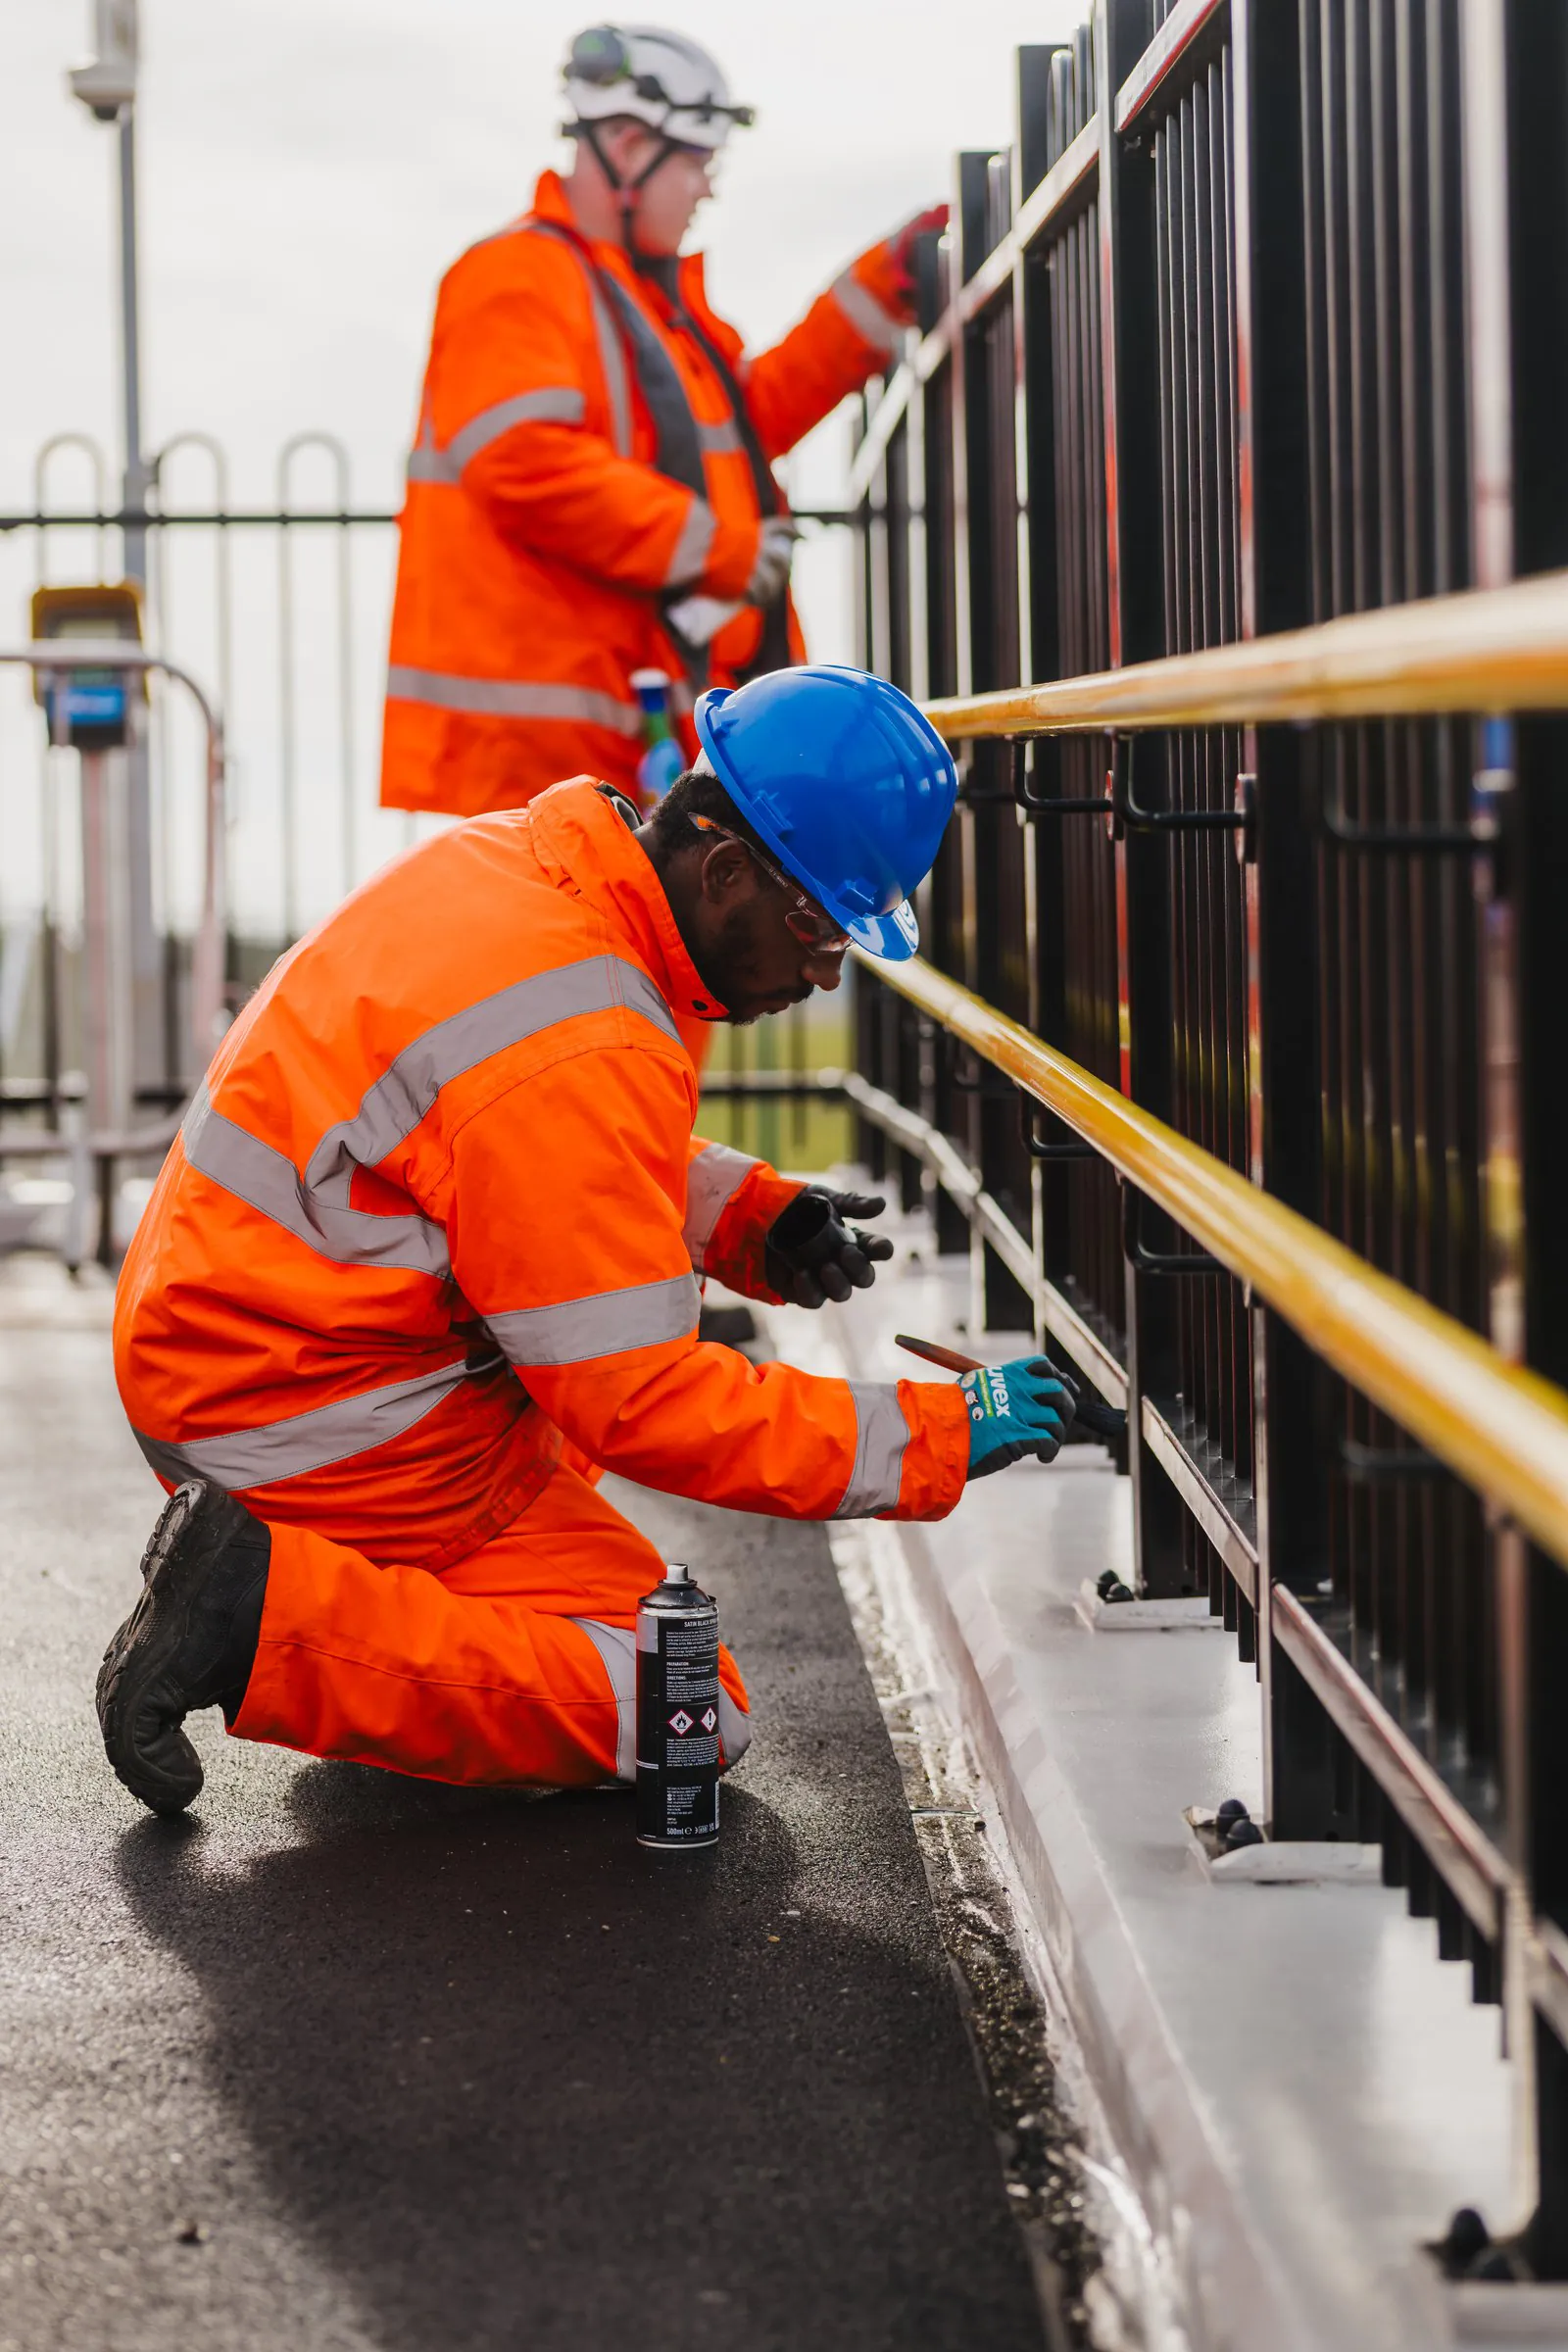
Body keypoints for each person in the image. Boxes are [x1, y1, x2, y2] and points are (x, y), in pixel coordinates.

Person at [101, 667, 1087, 1819]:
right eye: (818, 930)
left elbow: (518, 1156)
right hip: (315, 1416)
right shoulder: (583, 1030)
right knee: (684, 1706)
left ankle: (325, 1606)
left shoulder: (525, 867)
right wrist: (937, 1432)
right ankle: (263, 1615)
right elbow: (640, 1396)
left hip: (255, 1355)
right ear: (725, 874)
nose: (822, 975)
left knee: (567, 1486)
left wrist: (745, 1215)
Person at [378, 23, 945, 823]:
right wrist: (726, 551)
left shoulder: (643, 304)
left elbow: (747, 428)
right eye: (696, 163)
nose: (706, 189)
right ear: (628, 143)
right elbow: (523, 461)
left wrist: (879, 291)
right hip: (536, 761)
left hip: (611, 741)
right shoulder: (517, 278)